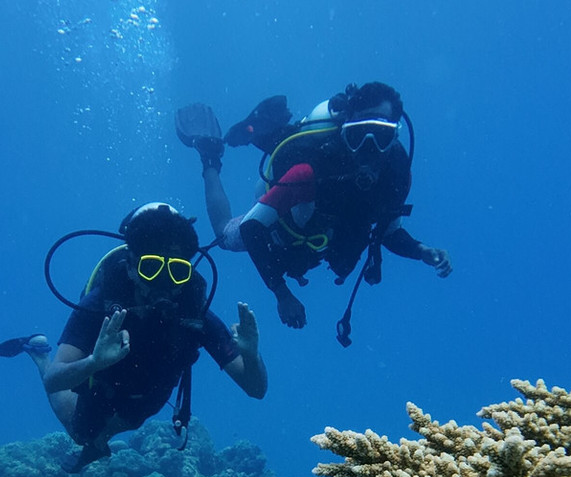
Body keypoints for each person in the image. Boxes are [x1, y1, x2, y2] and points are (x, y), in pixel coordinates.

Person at [0, 203, 267, 472]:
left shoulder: (195, 315)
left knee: (131, 420)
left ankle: (98, 442)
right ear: (130, 266)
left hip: (151, 393)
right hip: (103, 381)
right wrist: (93, 362)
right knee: (80, 432)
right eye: (151, 268)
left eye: (177, 271)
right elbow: (53, 380)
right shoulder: (100, 304)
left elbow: (256, 389)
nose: (164, 283)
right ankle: (38, 353)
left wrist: (252, 356)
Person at [176, 82, 452, 339]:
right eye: (358, 136)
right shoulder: (309, 171)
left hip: (322, 240)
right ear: (345, 131)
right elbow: (252, 228)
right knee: (225, 235)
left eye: (381, 136)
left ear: (394, 137)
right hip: (281, 231)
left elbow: (390, 232)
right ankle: (210, 157)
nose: (369, 148)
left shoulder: (396, 175)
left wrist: (421, 251)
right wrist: (281, 293)